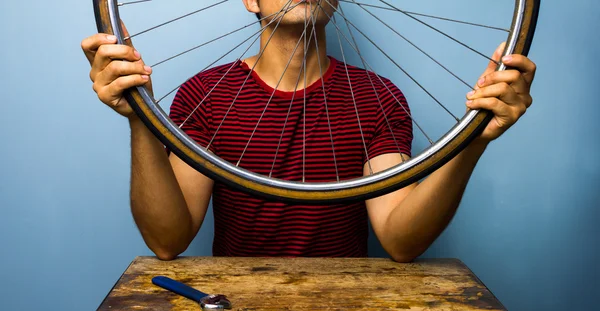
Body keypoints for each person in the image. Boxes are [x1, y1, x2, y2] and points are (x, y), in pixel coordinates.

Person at [81, 0, 536, 262]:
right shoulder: (207, 94)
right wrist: (138, 116)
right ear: (251, 0)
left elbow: (400, 240)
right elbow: (168, 240)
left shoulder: (378, 95)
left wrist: (477, 137)